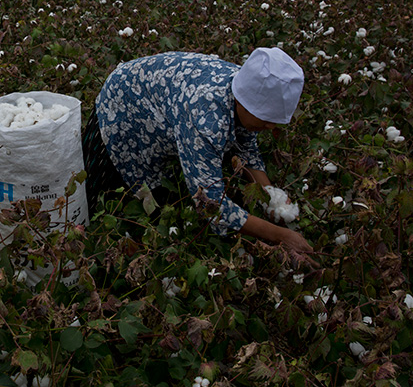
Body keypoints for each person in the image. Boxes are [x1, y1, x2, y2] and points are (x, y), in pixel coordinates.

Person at [82, 49, 312, 254]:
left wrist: (274, 200)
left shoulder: (246, 87)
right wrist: (280, 236)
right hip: (123, 103)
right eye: (265, 119)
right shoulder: (205, 118)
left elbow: (247, 149)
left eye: (274, 121)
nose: (269, 127)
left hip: (160, 94)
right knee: (116, 191)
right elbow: (210, 204)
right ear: (244, 102)